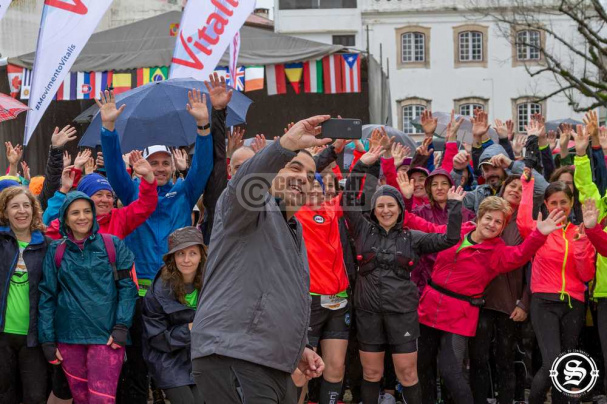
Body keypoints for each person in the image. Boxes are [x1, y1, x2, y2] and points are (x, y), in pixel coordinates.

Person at [190, 115, 330, 403]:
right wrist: (286, 145)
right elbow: (246, 182)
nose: (302, 178)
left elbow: (278, 293)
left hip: (272, 360)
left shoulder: (294, 229)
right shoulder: (245, 207)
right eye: (294, 167)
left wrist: (298, 347)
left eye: (309, 175)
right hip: (233, 354)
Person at [98, 86, 214, 403]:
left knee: (179, 363)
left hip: (178, 290)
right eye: (154, 162)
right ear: (143, 165)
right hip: (137, 294)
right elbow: (111, 167)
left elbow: (203, 168)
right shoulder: (132, 191)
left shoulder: (185, 192)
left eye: (165, 163)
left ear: (173, 166)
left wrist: (203, 128)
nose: (160, 168)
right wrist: (108, 129)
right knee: (136, 367)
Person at [343, 145, 465, 404]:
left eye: (391, 205)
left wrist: (454, 207)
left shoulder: (414, 237)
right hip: (368, 313)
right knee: (372, 373)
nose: (386, 210)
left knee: (408, 374)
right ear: (374, 210)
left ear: (400, 209)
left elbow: (450, 238)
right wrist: (362, 167)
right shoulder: (362, 230)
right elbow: (348, 201)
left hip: (402, 314)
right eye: (380, 206)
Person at [416, 195, 565, 404]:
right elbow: (424, 226)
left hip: (459, 315)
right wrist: (402, 202)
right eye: (488, 218)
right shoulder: (455, 233)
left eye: (498, 222)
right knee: (422, 366)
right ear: (478, 218)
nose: (492, 224)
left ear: (503, 227)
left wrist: (539, 234)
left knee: (451, 372)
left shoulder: (498, 252)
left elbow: (521, 254)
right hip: (429, 307)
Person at [38, 191, 138, 404]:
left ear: (93, 214)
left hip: (106, 338)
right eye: (75, 213)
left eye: (86, 211)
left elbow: (127, 288)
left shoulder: (112, 245)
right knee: (81, 400)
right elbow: (47, 296)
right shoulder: (56, 250)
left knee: (102, 400)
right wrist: (47, 339)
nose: (82, 217)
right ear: (65, 218)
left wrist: (121, 326)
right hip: (69, 338)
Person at [518, 170, 596, 404]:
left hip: (574, 305)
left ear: (572, 203)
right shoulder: (540, 228)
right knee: (553, 362)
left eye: (564, 202)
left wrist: (581, 246)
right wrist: (527, 185)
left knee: (567, 362)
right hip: (545, 302)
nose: (559, 207)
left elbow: (587, 274)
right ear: (546, 204)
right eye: (554, 202)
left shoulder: (579, 232)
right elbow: (522, 221)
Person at [468, 175, 530, 404]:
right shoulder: (485, 219)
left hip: (509, 304)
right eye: (512, 186)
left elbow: (532, 270)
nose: (516, 190)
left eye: (521, 188)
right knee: (478, 359)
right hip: (479, 302)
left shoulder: (524, 225)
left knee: (506, 359)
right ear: (502, 189)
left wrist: (525, 302)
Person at [295, 174, 350, 404]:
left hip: (340, 300)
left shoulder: (332, 210)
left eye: (319, 187)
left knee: (335, 368)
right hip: (310, 301)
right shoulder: (295, 214)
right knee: (301, 372)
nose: (316, 191)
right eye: (311, 187)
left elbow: (355, 192)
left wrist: (364, 157)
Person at [142, 227, 206, 404]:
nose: (186, 260)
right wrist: (190, 329)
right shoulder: (158, 291)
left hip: (201, 356)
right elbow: (156, 338)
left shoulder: (212, 283)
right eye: (180, 254)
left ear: (201, 256)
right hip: (168, 358)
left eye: (192, 253)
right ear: (173, 258)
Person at [0, 187, 48, 404]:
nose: (22, 211)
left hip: (34, 337)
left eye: (26, 205)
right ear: (5, 211)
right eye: (15, 206)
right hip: (2, 336)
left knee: (35, 397)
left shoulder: (46, 246)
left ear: (34, 210)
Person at [43, 151, 157, 239]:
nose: (105, 199)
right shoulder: (70, 222)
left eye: (109, 195)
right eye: (99, 194)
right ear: (85, 197)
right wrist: (64, 189)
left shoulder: (118, 219)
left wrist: (148, 178)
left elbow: (145, 206)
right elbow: (46, 223)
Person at [397, 168, 475, 294]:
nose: (439, 188)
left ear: (451, 187)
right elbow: (402, 221)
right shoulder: (420, 212)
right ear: (429, 189)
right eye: (434, 184)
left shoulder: (468, 215)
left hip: (455, 280)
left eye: (444, 183)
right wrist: (407, 199)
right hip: (423, 279)